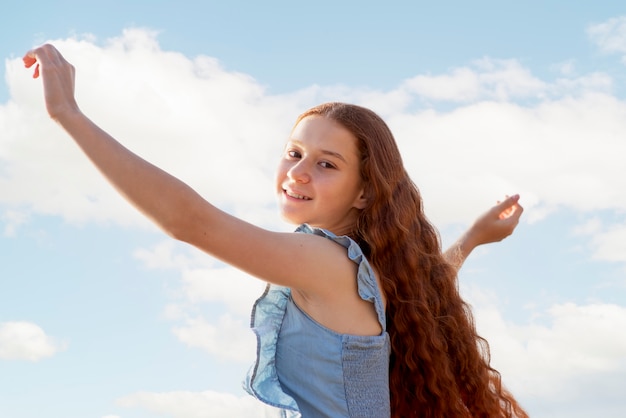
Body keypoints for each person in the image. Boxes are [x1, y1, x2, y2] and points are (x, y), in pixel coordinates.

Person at [24, 44, 527, 417]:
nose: (298, 173)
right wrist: (471, 241)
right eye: (293, 153)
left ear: (365, 193)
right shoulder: (374, 271)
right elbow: (427, 283)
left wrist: (68, 114)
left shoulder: (326, 261)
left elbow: (189, 222)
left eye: (327, 164)